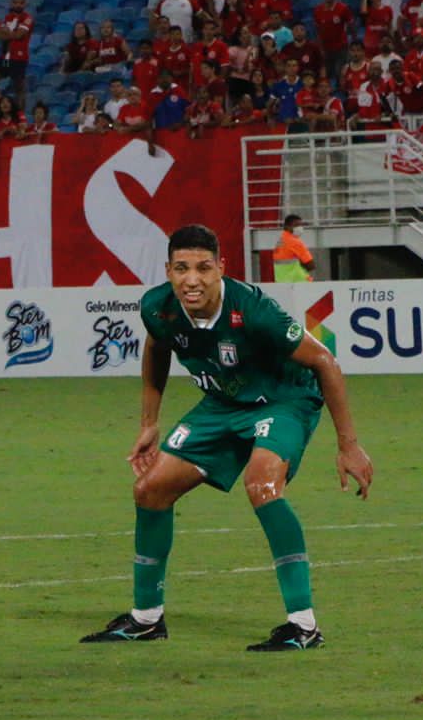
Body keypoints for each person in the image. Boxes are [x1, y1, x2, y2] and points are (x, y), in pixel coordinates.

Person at [81, 224, 372, 651]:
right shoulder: (158, 308)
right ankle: (146, 619)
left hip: (283, 400)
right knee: (150, 490)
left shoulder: (253, 311)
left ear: (221, 268)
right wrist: (149, 422)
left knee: (262, 485)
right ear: (168, 270)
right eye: (181, 268)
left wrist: (348, 445)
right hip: (222, 405)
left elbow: (325, 362)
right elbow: (157, 348)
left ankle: (303, 626)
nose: (191, 279)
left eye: (202, 268)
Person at [272, 214, 316, 281]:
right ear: (287, 226)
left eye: (301, 225)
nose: (300, 228)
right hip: (298, 282)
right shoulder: (295, 242)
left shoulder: (279, 241)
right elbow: (311, 266)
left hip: (281, 281)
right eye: (296, 225)